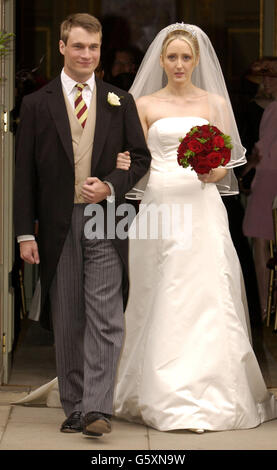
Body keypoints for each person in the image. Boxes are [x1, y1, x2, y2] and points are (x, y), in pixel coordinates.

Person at [113, 24, 277, 432]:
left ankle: (211, 391)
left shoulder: (215, 102)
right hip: (158, 206)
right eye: (172, 57)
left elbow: (229, 162)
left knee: (205, 291)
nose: (179, 64)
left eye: (186, 57)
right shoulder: (143, 103)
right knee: (159, 290)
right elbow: (135, 159)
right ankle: (154, 390)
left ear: (197, 60)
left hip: (202, 207)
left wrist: (215, 169)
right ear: (162, 61)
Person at [13, 13, 151, 438]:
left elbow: (141, 159)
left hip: (107, 219)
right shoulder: (37, 103)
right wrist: (24, 233)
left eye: (93, 47)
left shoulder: (119, 100)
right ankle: (75, 405)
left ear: (100, 49)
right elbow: (24, 176)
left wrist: (111, 186)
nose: (86, 54)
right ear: (62, 47)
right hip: (57, 224)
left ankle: (97, 408)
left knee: (106, 316)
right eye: (78, 46)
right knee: (69, 315)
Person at [242, 58, 277, 322]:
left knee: (261, 242)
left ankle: (266, 307)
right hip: (265, 178)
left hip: (268, 179)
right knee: (262, 241)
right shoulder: (268, 109)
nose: (266, 82)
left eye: (271, 77)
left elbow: (260, 152)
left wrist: (243, 170)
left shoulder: (272, 110)